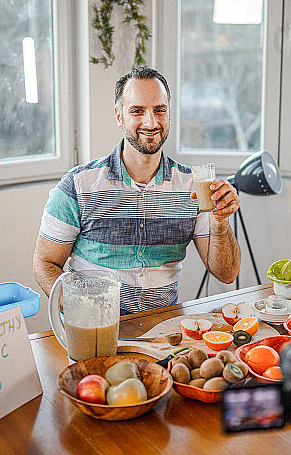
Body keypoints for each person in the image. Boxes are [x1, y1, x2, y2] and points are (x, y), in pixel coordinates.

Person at [32, 67, 241, 314]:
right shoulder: (78, 185)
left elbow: (226, 274)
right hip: (94, 332)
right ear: (119, 116)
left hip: (163, 334)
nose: (151, 122)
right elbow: (44, 263)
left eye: (159, 110)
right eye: (137, 111)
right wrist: (80, 311)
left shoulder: (191, 186)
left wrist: (219, 222)